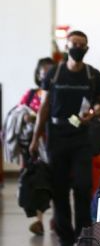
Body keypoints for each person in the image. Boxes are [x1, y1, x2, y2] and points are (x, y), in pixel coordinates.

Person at [29, 31, 100, 246]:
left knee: (83, 187)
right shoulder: (54, 74)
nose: (78, 47)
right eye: (74, 43)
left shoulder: (92, 75)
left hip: (82, 137)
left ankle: (83, 236)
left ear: (87, 48)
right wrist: (36, 138)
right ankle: (65, 239)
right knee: (59, 189)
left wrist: (93, 114)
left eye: (82, 44)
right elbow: (44, 107)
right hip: (56, 136)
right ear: (66, 46)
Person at [17, 57, 55, 235]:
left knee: (56, 182)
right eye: (43, 72)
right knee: (39, 181)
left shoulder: (58, 93)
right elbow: (19, 113)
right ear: (38, 74)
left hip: (54, 143)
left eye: (50, 71)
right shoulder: (31, 94)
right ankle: (39, 220)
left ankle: (57, 218)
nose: (46, 75)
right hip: (34, 146)